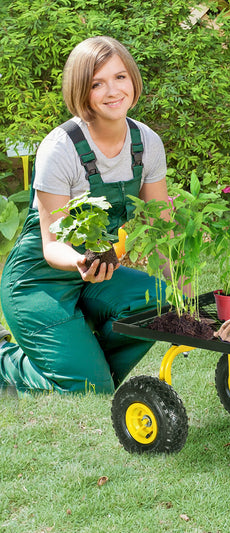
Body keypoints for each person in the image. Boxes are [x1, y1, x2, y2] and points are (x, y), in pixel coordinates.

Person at [0, 36, 169, 395]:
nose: (113, 91)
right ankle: (7, 360)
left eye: (120, 77)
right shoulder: (60, 149)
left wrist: (186, 298)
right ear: (81, 91)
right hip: (38, 283)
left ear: (133, 80)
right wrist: (81, 260)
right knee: (89, 388)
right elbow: (51, 246)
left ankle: (83, 360)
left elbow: (161, 226)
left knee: (159, 302)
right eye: (97, 83)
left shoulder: (147, 144)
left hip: (97, 276)